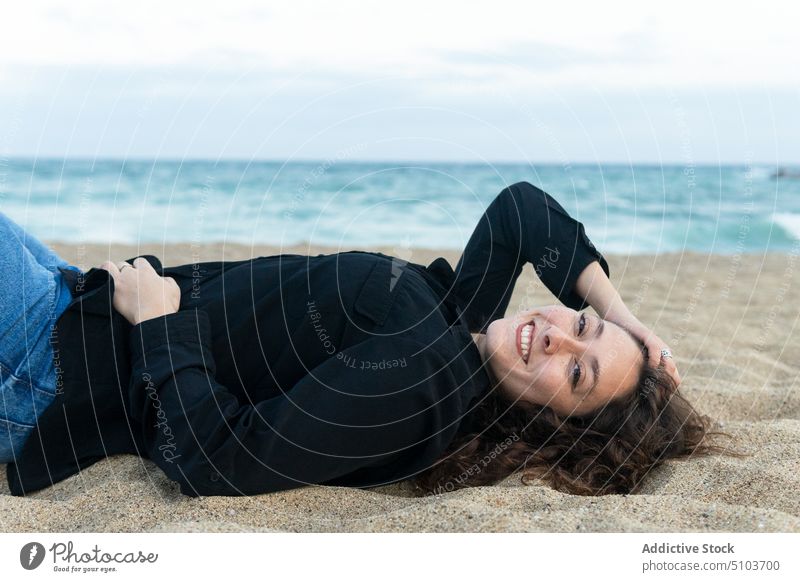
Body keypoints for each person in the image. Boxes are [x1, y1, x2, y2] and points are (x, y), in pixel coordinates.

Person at [1, 181, 737, 497]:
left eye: (576, 375)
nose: (555, 338)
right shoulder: (462, 330)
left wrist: (162, 322)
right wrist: (625, 319)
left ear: (548, 422)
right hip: (79, 302)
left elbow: (222, 462)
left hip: (50, 367)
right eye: (581, 328)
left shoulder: (422, 377)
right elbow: (522, 213)